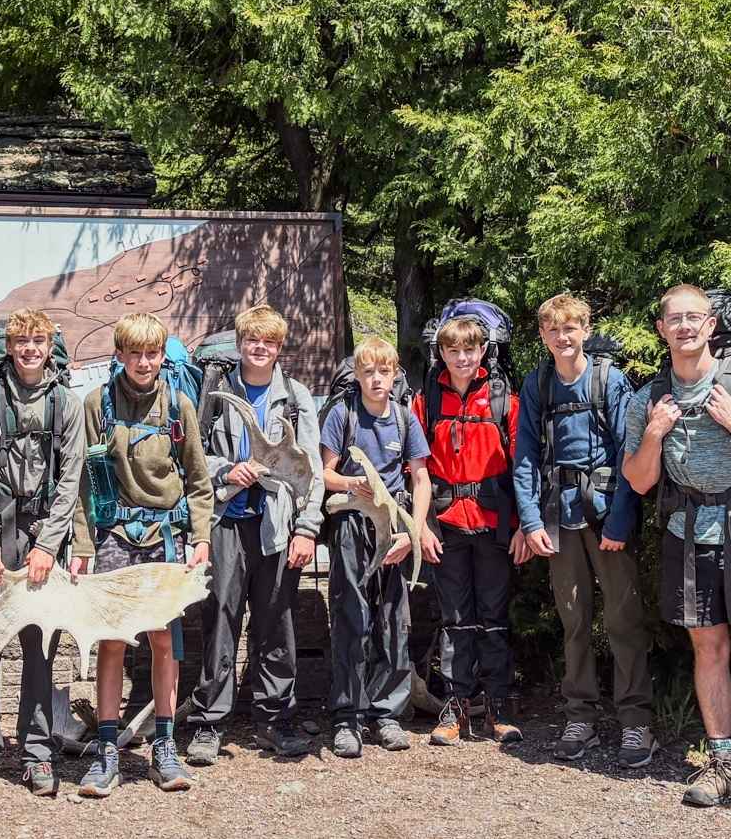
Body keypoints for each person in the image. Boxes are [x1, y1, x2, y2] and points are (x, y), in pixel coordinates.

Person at [622, 283, 731, 816]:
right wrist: (653, 434)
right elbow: (637, 481)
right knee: (709, 650)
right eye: (674, 319)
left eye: (694, 317)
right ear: (661, 330)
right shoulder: (649, 398)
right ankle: (721, 763)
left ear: (712, 324)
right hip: (689, 534)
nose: (684, 327)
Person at [70, 312, 213, 796]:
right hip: (114, 538)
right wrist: (84, 546)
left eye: (152, 353)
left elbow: (197, 479)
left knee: (163, 642)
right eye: (135, 353)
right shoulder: (97, 404)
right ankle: (108, 749)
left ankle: (165, 748)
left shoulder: (178, 406)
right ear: (120, 355)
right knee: (112, 641)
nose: (144, 362)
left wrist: (201, 538)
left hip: (164, 539)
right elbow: (85, 484)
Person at [510, 294, 653, 768]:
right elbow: (526, 454)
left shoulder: (608, 380)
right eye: (553, 330)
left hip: (607, 513)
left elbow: (629, 450)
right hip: (558, 514)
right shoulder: (540, 383)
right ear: (543, 336)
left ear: (586, 330)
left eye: (571, 328)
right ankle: (580, 716)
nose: (562, 337)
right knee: (573, 619)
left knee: (622, 619)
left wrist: (619, 521)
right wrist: (530, 521)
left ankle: (635, 722)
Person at [0, 310, 87, 798]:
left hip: (42, 535)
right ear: (8, 347)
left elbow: (70, 479)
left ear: (50, 346)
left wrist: (48, 546)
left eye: (39, 340)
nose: (31, 348)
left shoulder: (66, 405)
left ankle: (37, 752)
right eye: (22, 341)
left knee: (40, 646)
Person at [189, 306, 326, 763]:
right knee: (220, 620)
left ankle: (274, 720)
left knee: (275, 623)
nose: (260, 348)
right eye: (252, 340)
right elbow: (194, 460)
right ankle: (209, 723)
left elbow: (312, 469)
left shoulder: (296, 396)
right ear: (240, 342)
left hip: (277, 525)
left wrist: (307, 528)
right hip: (227, 519)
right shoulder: (216, 392)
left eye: (269, 342)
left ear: (279, 347)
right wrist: (229, 469)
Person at [319, 335, 431, 758]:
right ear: (358, 375)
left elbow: (420, 479)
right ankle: (348, 717)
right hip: (352, 524)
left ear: (394, 374)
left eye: (384, 372)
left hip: (396, 529)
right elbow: (325, 474)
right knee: (351, 616)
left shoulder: (404, 420)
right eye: (368, 372)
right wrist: (356, 485)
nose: (377, 379)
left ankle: (387, 714)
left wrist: (413, 532)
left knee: (392, 619)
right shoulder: (341, 415)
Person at [413, 316, 523, 746]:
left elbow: (522, 469)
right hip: (445, 524)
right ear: (441, 353)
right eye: (453, 350)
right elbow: (416, 470)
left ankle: (497, 707)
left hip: (495, 524)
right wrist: (420, 525)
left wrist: (523, 527)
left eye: (470, 350)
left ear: (482, 352)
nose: (462, 358)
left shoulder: (503, 401)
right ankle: (454, 708)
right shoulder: (425, 402)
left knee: (493, 620)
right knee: (455, 620)